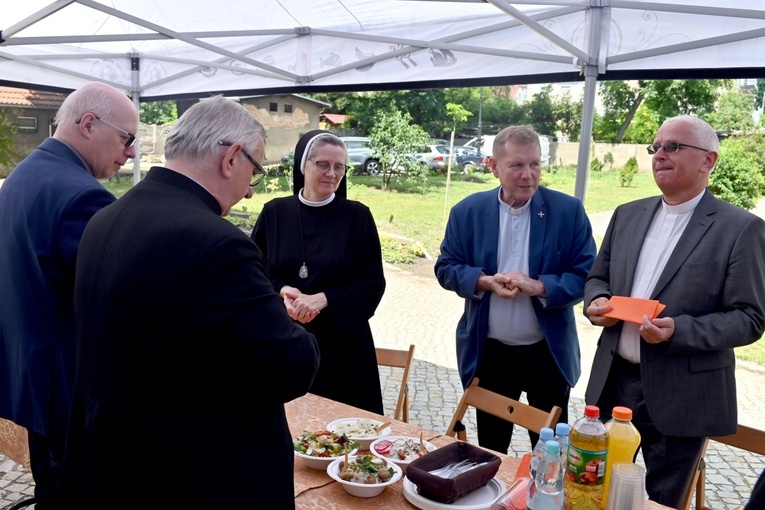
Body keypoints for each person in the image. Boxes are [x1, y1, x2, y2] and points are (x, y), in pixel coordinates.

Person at [60, 96, 320, 509]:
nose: (252, 191)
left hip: (114, 461)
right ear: (232, 157)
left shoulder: (106, 218)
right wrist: (288, 321)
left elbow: (170, 319)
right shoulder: (219, 244)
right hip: (194, 474)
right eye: (255, 170)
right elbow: (290, 369)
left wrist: (255, 303)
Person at [584, 115, 765, 508]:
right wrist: (595, 303)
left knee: (662, 500)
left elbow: (749, 318)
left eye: (673, 146)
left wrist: (677, 330)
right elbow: (597, 279)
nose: (659, 155)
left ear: (708, 161)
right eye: (656, 147)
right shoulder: (627, 214)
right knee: (594, 487)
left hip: (681, 391)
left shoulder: (741, 228)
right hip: (614, 378)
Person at [0, 81, 138, 508]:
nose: (130, 152)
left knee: (51, 489)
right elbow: (115, 301)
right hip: (68, 389)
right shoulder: (83, 195)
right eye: (126, 138)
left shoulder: (23, 175)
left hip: (31, 377)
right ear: (88, 123)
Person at [434, 125, 597, 453]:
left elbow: (587, 276)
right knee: (491, 449)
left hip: (547, 354)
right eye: (517, 166)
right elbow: (446, 267)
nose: (528, 175)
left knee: (550, 451)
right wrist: (484, 281)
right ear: (494, 167)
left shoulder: (567, 211)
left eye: (535, 164)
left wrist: (539, 287)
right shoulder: (468, 212)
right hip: (491, 353)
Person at [251, 130, 386, 414]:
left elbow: (372, 283)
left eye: (339, 167)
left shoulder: (357, 217)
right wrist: (282, 292)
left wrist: (324, 299)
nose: (332, 173)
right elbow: (254, 271)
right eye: (322, 164)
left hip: (343, 346)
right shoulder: (275, 212)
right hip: (286, 338)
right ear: (303, 165)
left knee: (344, 429)